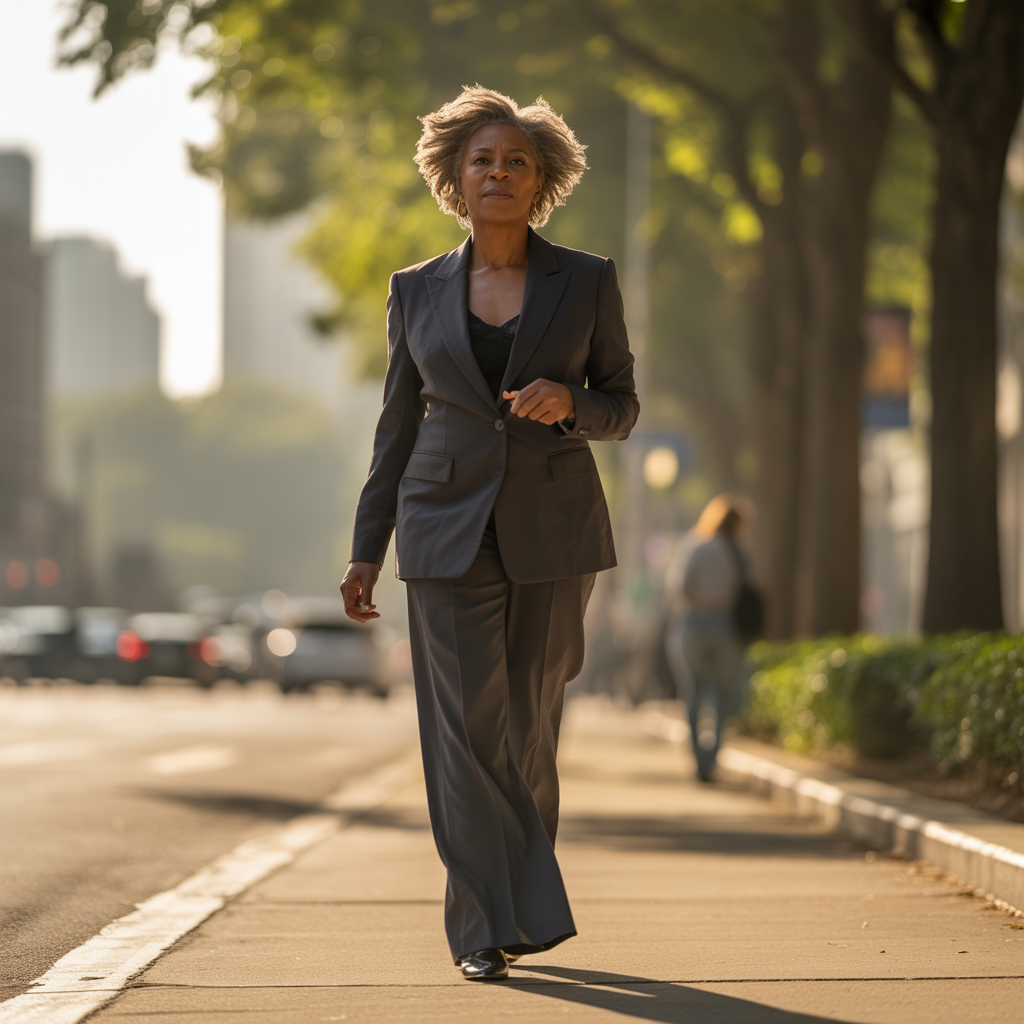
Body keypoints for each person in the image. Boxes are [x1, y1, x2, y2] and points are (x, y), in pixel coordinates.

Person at [340, 86, 639, 981]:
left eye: (516, 161)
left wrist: (571, 403)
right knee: (464, 735)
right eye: (482, 161)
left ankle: (516, 901)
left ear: (541, 179)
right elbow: (395, 426)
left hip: (555, 531)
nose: (498, 173)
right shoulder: (416, 290)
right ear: (453, 178)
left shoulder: (586, 279)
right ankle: (482, 924)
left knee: (528, 734)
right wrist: (367, 545)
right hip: (442, 529)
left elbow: (622, 407)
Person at [664, 495, 753, 782]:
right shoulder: (740, 553)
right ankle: (711, 757)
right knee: (720, 695)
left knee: (693, 692)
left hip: (693, 623)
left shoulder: (695, 546)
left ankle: (698, 760)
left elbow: (679, 586)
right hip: (727, 626)